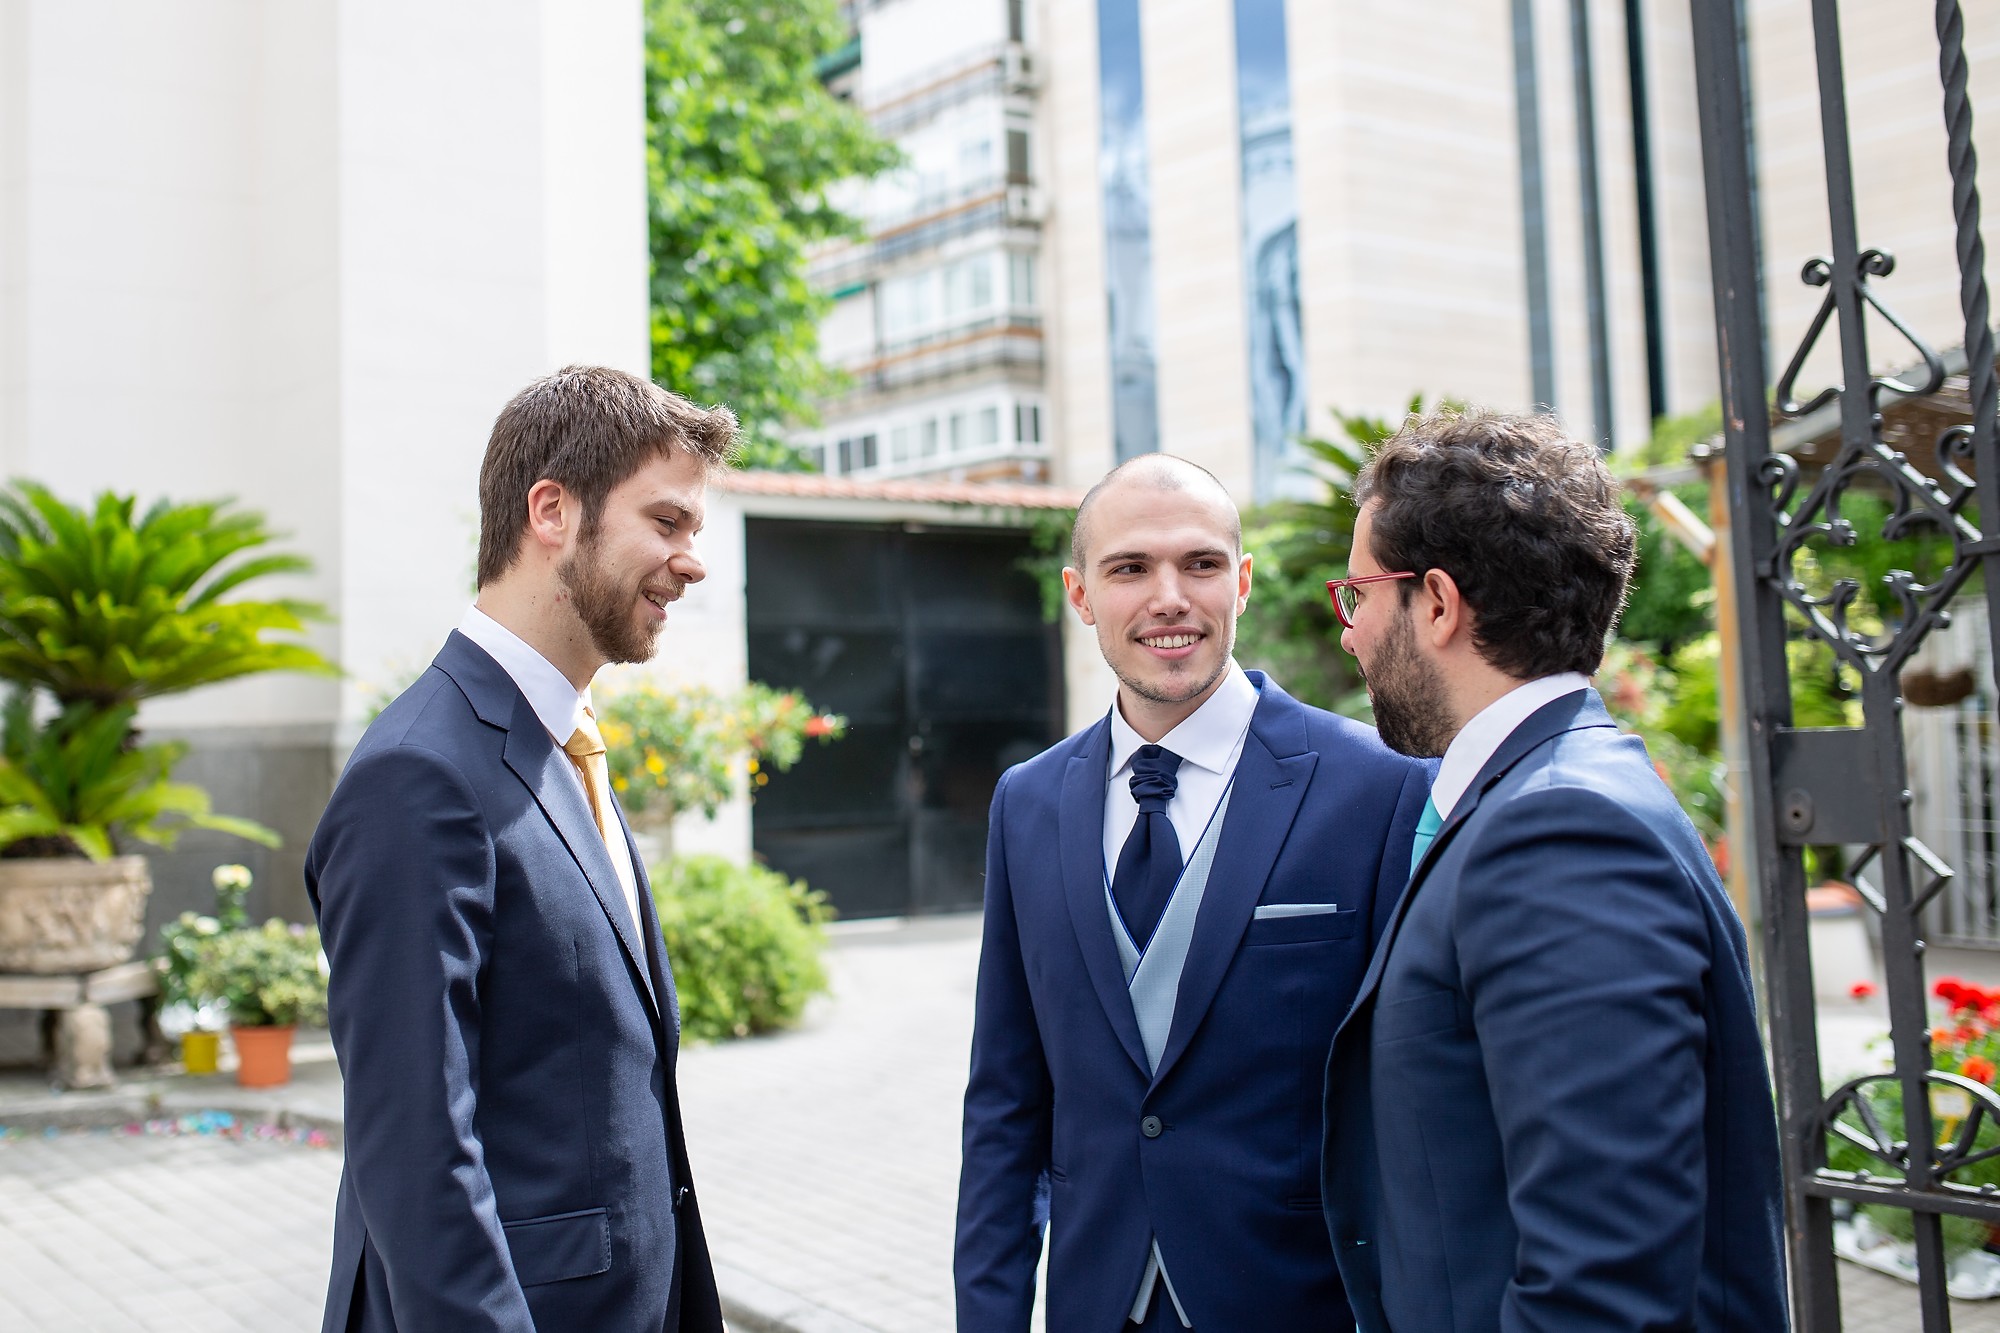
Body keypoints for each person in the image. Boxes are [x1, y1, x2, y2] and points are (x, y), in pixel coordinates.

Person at [1319, 411, 1788, 1331]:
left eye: (1358, 596)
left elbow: (1601, 1282)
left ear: (1440, 603)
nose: (1350, 634)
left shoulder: (1556, 831)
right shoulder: (1554, 793)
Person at [956, 454, 1432, 1333]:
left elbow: (1417, 1097)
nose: (1169, 596)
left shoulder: (1381, 787)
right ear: (1080, 593)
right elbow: (1005, 1102)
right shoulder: (1027, 802)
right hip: (1099, 1304)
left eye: (1201, 564)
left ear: (1242, 583)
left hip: (1301, 1303)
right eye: (1131, 568)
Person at [306, 366, 736, 1333]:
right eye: (667, 523)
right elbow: (416, 1149)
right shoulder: (417, 774)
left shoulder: (562, 744)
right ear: (552, 509)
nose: (691, 560)